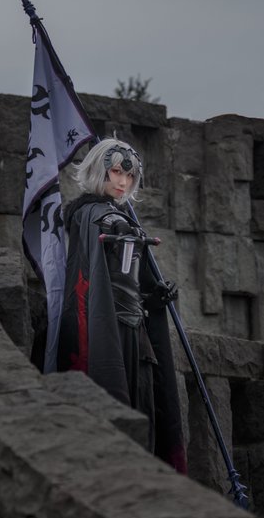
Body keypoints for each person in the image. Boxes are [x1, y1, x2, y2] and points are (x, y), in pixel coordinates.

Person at [57, 138, 187, 473]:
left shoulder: (121, 217)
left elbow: (134, 283)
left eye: (129, 176)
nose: (123, 182)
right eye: (116, 172)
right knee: (116, 409)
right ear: (99, 171)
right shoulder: (90, 214)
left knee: (144, 412)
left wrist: (155, 297)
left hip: (135, 335)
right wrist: (113, 223)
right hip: (105, 332)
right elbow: (96, 248)